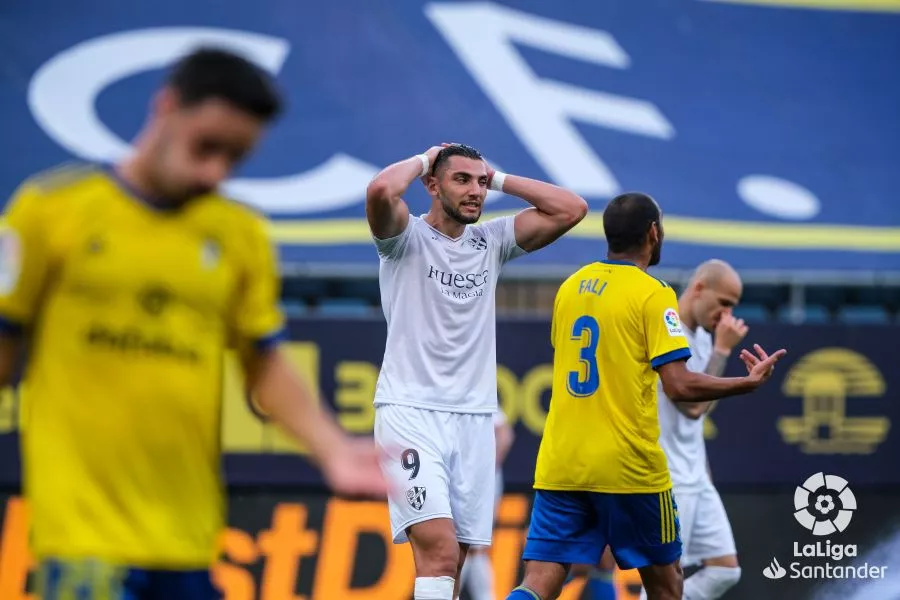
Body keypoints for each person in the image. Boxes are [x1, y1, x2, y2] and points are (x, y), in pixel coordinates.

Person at [0, 48, 387, 600]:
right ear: (166, 107)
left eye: (235, 157)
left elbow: (263, 359)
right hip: (84, 540)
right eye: (206, 147)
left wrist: (332, 451)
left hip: (191, 541)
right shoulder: (49, 211)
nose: (216, 171)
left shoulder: (239, 235)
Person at [505, 192, 786, 600]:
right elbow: (680, 386)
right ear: (653, 233)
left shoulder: (570, 287)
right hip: (627, 466)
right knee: (666, 582)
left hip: (561, 461)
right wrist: (747, 383)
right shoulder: (653, 293)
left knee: (539, 581)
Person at [366, 143, 588, 600]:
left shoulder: (492, 241)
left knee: (458, 559)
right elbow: (380, 189)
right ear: (432, 184)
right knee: (441, 553)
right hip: (409, 413)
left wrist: (499, 176)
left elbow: (572, 209)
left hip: (474, 421)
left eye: (481, 183)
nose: (475, 191)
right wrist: (426, 158)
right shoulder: (403, 238)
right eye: (461, 180)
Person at [641, 260, 747, 600]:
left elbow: (698, 417)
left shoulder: (701, 336)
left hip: (695, 476)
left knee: (725, 569)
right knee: (664, 583)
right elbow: (692, 406)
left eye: (733, 306)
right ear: (699, 288)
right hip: (669, 478)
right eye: (724, 303)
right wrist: (723, 351)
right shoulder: (669, 330)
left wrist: (704, 472)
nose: (727, 314)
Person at [460, 410, 516, 600]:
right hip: (463, 479)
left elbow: (505, 434)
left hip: (481, 481)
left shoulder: (479, 399)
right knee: (470, 546)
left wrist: (486, 466)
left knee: (472, 544)